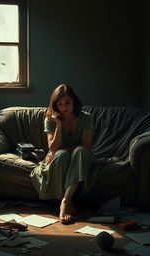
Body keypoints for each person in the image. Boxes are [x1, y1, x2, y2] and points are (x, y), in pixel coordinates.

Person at [30, 83, 95, 224]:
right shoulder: (50, 120)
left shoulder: (86, 118)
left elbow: (85, 145)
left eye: (68, 102)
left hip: (81, 156)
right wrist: (58, 125)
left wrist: (64, 149)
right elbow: (53, 149)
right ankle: (68, 200)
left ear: (74, 102)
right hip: (60, 157)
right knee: (61, 155)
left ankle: (65, 200)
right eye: (60, 104)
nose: (65, 107)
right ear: (55, 106)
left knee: (79, 151)